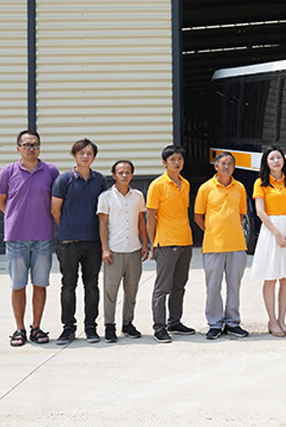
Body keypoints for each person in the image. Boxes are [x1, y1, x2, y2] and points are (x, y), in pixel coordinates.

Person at [0, 130, 59, 347]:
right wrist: (17, 218)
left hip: (43, 237)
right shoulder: (7, 172)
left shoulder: (50, 171)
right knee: (18, 285)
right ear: (18, 148)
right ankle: (19, 329)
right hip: (16, 238)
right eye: (27, 145)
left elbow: (56, 201)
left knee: (40, 284)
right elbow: (1, 202)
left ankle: (36, 327)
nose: (31, 148)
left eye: (35, 144)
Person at [51, 138, 107, 344]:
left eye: (89, 153)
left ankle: (91, 327)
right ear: (74, 155)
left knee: (92, 286)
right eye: (81, 153)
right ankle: (68, 328)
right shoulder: (63, 180)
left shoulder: (100, 180)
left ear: (94, 157)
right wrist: (69, 227)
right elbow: (55, 210)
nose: (85, 156)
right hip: (68, 242)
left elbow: (103, 211)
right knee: (68, 285)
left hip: (93, 242)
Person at [193, 152, 249, 340]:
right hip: (213, 246)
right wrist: (212, 230)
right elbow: (198, 216)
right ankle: (215, 323)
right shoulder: (206, 188)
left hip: (236, 245)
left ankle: (233, 322)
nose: (227, 166)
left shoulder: (239, 187)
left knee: (234, 285)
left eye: (230, 164)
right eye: (223, 163)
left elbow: (241, 214)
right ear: (216, 166)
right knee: (213, 286)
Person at [251, 146, 286, 337]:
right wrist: (277, 234)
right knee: (271, 277)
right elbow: (260, 211)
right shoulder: (261, 183)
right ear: (266, 162)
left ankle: (282, 320)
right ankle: (272, 321)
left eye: (279, 157)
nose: (276, 161)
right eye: (272, 158)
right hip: (271, 231)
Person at [146, 145, 195, 342]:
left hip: (185, 241)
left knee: (179, 285)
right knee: (162, 287)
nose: (177, 163)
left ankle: (174, 321)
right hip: (166, 242)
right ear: (164, 162)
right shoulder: (157, 185)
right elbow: (150, 216)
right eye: (172, 159)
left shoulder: (186, 184)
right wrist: (152, 244)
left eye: (180, 159)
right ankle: (159, 327)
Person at [97, 159, 149, 343]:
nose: (124, 175)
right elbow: (102, 223)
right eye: (121, 172)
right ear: (114, 175)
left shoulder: (138, 196)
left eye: (128, 172)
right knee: (111, 290)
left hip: (134, 249)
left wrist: (145, 243)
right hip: (114, 251)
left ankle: (128, 323)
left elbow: (141, 220)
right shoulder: (106, 197)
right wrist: (105, 249)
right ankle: (109, 326)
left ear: (132, 175)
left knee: (132, 289)